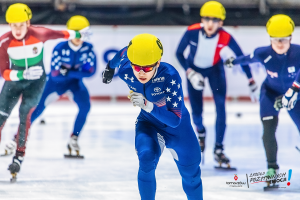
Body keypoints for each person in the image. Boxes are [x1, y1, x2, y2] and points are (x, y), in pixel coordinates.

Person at [103, 33, 203, 200]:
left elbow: (175, 120)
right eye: (137, 67)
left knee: (191, 176)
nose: (141, 73)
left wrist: (148, 105)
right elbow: (122, 53)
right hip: (149, 124)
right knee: (146, 159)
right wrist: (109, 68)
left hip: (178, 129)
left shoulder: (169, 76)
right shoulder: (126, 71)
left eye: (147, 68)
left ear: (157, 62)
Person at [0, 3, 90, 181]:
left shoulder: (40, 33)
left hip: (36, 83)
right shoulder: (5, 41)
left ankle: (19, 156)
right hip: (14, 81)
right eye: (13, 25)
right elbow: (2, 71)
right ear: (9, 25)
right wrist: (20, 73)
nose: (17, 29)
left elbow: (62, 34)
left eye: (21, 24)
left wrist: (79, 33)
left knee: (25, 115)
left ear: (28, 23)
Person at [176, 0, 257, 167]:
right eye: (207, 19)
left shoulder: (225, 36)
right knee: (196, 113)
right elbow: (178, 53)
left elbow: (241, 57)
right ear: (202, 20)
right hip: (194, 71)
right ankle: (201, 132)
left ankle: (219, 149)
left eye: (215, 20)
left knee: (221, 107)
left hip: (215, 70)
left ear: (221, 22)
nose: (210, 23)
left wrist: (251, 80)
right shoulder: (191, 32)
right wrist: (189, 71)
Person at [225, 14, 300, 185]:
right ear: (270, 39)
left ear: (290, 38)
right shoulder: (263, 53)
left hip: (295, 94)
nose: (279, 44)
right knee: (268, 131)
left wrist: (295, 90)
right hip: (270, 93)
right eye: (275, 40)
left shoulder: (298, 53)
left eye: (283, 39)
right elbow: (247, 59)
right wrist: (233, 62)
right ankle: (272, 168)